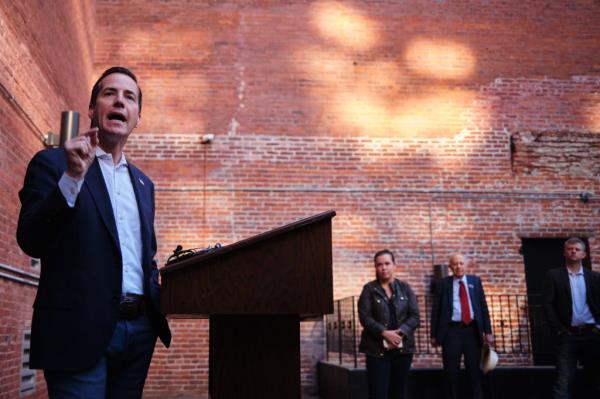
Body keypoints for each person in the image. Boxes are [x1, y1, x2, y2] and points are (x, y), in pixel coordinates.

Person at [17, 66, 171, 398]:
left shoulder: (144, 185)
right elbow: (31, 239)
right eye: (109, 93)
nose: (120, 101)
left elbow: (145, 256)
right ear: (92, 109)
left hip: (138, 335)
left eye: (129, 97)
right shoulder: (54, 164)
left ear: (137, 117)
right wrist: (72, 177)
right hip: (77, 331)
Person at [358, 249, 420, 399]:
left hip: (402, 350)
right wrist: (384, 333)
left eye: (387, 263)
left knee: (397, 393)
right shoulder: (369, 289)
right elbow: (365, 317)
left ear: (394, 265)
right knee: (377, 393)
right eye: (379, 264)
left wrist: (400, 332)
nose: (383, 267)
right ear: (375, 267)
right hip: (376, 350)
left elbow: (415, 317)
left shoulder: (405, 288)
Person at [430, 253, 494, 399]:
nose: (458, 266)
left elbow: (483, 307)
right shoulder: (443, 284)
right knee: (451, 372)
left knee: (475, 371)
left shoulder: (475, 281)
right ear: (450, 267)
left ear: (466, 264)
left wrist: (488, 331)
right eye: (455, 264)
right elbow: (436, 310)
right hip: (451, 332)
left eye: (461, 263)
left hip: (472, 331)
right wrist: (433, 335)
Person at [543, 237, 600, 399]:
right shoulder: (554, 275)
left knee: (594, 379)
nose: (573, 251)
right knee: (563, 381)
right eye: (570, 249)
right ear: (564, 252)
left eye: (577, 249)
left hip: (592, 335)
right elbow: (548, 305)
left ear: (584, 254)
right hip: (567, 336)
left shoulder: (595, 277)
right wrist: (560, 330)